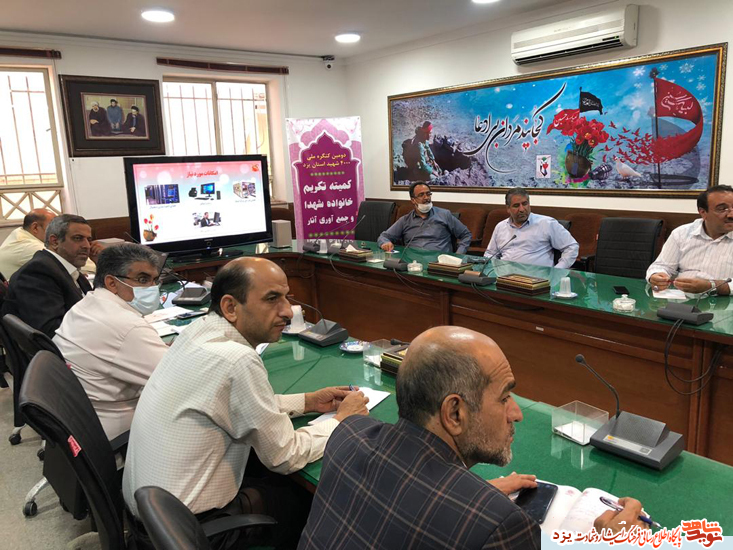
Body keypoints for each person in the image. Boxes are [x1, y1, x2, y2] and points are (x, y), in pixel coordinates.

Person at [299, 326, 649, 550]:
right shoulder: (499, 526)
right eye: (504, 397)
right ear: (454, 413)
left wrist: (474, 492)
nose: (516, 413)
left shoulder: (348, 435)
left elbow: (399, 494)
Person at [122, 257, 370, 548]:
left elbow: (232, 404)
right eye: (272, 299)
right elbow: (286, 456)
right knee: (319, 499)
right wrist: (342, 422)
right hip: (195, 531)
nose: (288, 311)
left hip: (152, 518)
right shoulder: (237, 359)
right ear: (230, 307)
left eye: (286, 297)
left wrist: (308, 402)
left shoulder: (198, 332)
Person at [53, 243, 168, 441]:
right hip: (120, 431)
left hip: (80, 420)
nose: (152, 287)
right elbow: (179, 379)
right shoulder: (127, 327)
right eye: (142, 279)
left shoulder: (86, 304)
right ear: (112, 283)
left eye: (155, 280)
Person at [2, 214, 94, 337]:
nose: (87, 246)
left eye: (89, 240)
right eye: (78, 238)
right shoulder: (37, 272)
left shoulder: (66, 269)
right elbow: (51, 330)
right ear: (54, 241)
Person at [647, 185, 733, 295]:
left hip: (723, 301)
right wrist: (656, 276)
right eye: (722, 209)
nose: (731, 215)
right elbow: (662, 266)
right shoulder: (681, 233)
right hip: (680, 298)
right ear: (703, 212)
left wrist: (712, 286)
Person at [485, 187, 578, 269]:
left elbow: (571, 247)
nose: (522, 209)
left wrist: (557, 271)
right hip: (505, 278)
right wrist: (493, 271)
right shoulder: (500, 227)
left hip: (537, 279)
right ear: (508, 209)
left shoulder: (546, 223)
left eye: (524, 204)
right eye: (516, 206)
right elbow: (490, 254)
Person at [378, 181, 472, 254]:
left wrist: (459, 254)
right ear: (413, 200)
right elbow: (384, 236)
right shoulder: (405, 220)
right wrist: (385, 243)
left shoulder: (444, 215)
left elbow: (466, 234)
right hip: (413, 263)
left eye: (428, 194)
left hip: (438, 263)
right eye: (421, 195)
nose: (426, 198)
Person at [0, 209, 98, 278]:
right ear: (35, 228)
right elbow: (87, 267)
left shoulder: (21, 234)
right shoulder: (27, 246)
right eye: (52, 226)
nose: (87, 246)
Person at [0, 209, 55, 279]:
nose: (57, 231)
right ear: (35, 228)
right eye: (53, 227)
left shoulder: (20, 232)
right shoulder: (30, 247)